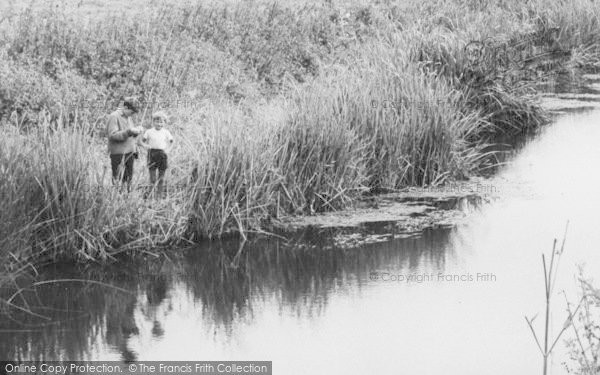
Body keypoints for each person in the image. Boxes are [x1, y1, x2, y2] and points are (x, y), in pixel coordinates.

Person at [106, 97, 143, 191]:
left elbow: (129, 134)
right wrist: (129, 131)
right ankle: (117, 198)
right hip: (118, 153)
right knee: (117, 178)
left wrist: (136, 131)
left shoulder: (128, 117)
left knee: (128, 178)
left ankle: (127, 197)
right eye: (132, 112)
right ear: (125, 107)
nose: (133, 115)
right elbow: (113, 135)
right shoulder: (114, 116)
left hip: (129, 152)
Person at [141, 111, 174, 197]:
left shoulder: (166, 132)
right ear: (153, 122)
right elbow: (142, 141)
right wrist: (146, 146)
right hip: (152, 154)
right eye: (157, 121)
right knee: (152, 178)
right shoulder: (149, 132)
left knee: (161, 177)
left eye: (161, 122)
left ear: (164, 123)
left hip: (162, 154)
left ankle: (159, 195)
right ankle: (151, 195)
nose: (159, 124)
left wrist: (168, 150)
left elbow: (172, 142)